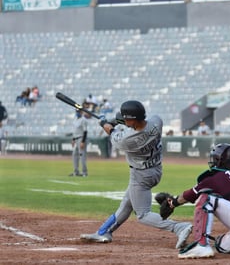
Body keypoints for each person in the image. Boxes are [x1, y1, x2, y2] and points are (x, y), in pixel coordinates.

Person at [80, 100, 192, 248]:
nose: (126, 121)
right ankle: (104, 232)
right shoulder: (156, 122)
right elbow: (134, 124)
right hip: (156, 170)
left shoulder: (127, 140)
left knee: (143, 215)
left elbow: (113, 133)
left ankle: (179, 227)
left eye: (128, 119)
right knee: (127, 203)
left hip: (140, 176)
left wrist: (105, 123)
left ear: (133, 119)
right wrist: (119, 121)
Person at [69, 109, 88, 177]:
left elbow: (85, 131)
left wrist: (83, 141)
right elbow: (74, 130)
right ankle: (76, 171)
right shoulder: (75, 119)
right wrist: (73, 139)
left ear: (81, 112)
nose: (77, 113)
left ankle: (84, 172)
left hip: (81, 138)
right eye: (76, 111)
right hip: (76, 138)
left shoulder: (83, 120)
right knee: (74, 155)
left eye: (79, 111)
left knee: (82, 155)